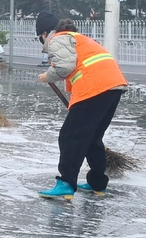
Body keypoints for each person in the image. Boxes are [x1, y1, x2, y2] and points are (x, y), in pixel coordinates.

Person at [34, 12, 128, 200]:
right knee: (92, 137)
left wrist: (47, 76)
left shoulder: (58, 39)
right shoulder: (77, 38)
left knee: (70, 136)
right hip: (113, 86)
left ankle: (66, 183)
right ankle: (97, 183)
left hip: (94, 88)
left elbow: (64, 67)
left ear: (45, 33)